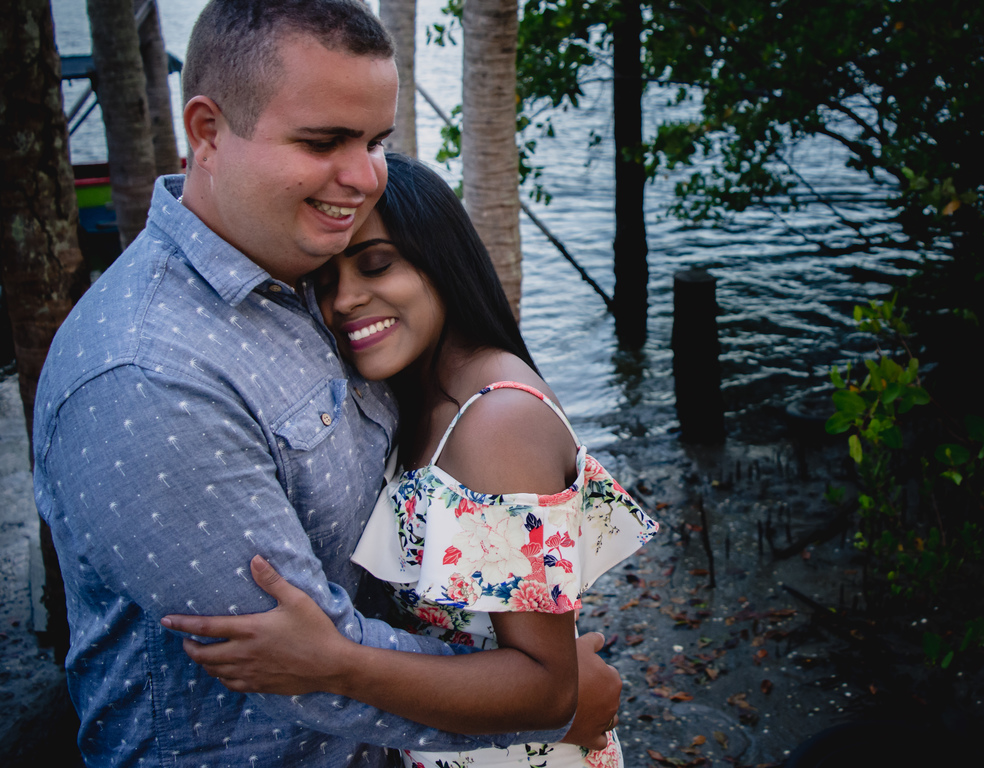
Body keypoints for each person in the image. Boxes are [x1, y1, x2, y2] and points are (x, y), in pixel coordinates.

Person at [32, 0, 618, 767]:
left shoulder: (301, 271)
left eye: (375, 141)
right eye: (321, 142)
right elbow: (301, 667)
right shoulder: (150, 376)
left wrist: (538, 673)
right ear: (205, 131)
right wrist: (548, 700)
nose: (364, 176)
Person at [161, 152, 659, 768]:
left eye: (377, 265)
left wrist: (334, 661)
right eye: (324, 280)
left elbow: (548, 684)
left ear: (442, 262)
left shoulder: (496, 423)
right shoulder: (412, 398)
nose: (344, 300)